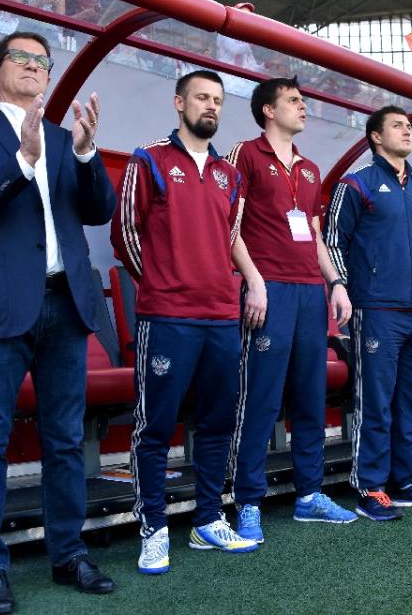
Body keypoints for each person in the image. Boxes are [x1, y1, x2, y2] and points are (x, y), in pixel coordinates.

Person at [0, 31, 116, 613]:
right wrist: (22, 161)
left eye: (43, 61)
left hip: (65, 307)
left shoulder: (69, 140)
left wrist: (87, 155)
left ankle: (68, 554)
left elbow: (98, 211)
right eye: (22, 58)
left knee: (65, 438)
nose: (35, 68)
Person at [111, 70, 258, 574]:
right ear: (179, 103)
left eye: (218, 100)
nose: (211, 106)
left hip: (221, 316)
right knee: (154, 428)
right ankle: (153, 528)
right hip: (167, 316)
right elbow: (125, 230)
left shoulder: (230, 175)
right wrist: (159, 283)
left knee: (217, 422)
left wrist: (236, 285)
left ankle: (208, 519)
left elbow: (230, 239)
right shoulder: (148, 159)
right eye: (202, 97)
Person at [226, 76, 357, 544]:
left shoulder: (310, 168)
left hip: (309, 293)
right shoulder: (245, 154)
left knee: (310, 398)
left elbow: (317, 236)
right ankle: (247, 502)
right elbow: (230, 225)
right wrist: (254, 282)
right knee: (259, 398)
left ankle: (309, 495)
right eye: (294, 101)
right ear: (268, 110)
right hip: (269, 291)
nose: (304, 107)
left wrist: (337, 284)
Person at [326, 106, 412, 521]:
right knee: (376, 401)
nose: (407, 131)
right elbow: (332, 242)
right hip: (376, 308)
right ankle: (370, 486)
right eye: (398, 125)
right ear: (376, 137)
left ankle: (405, 481)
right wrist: (341, 285)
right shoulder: (356, 184)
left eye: (409, 125)